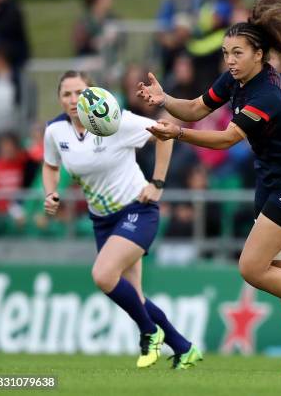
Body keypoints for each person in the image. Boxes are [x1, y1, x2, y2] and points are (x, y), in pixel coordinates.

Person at [137, 0, 281, 375]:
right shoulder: (236, 78)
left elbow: (225, 139)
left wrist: (177, 134)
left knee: (252, 268)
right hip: (271, 181)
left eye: (237, 53)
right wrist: (164, 98)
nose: (229, 60)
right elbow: (198, 107)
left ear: (259, 54)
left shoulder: (267, 92)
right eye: (225, 53)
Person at [43, 70, 202, 370]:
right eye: (66, 94)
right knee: (136, 296)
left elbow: (165, 132)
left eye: (80, 92)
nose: (73, 99)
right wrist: (51, 193)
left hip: (136, 210)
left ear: (93, 94)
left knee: (103, 275)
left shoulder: (115, 121)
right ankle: (184, 348)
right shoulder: (55, 131)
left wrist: (157, 183)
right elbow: (50, 165)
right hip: (102, 221)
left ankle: (149, 332)